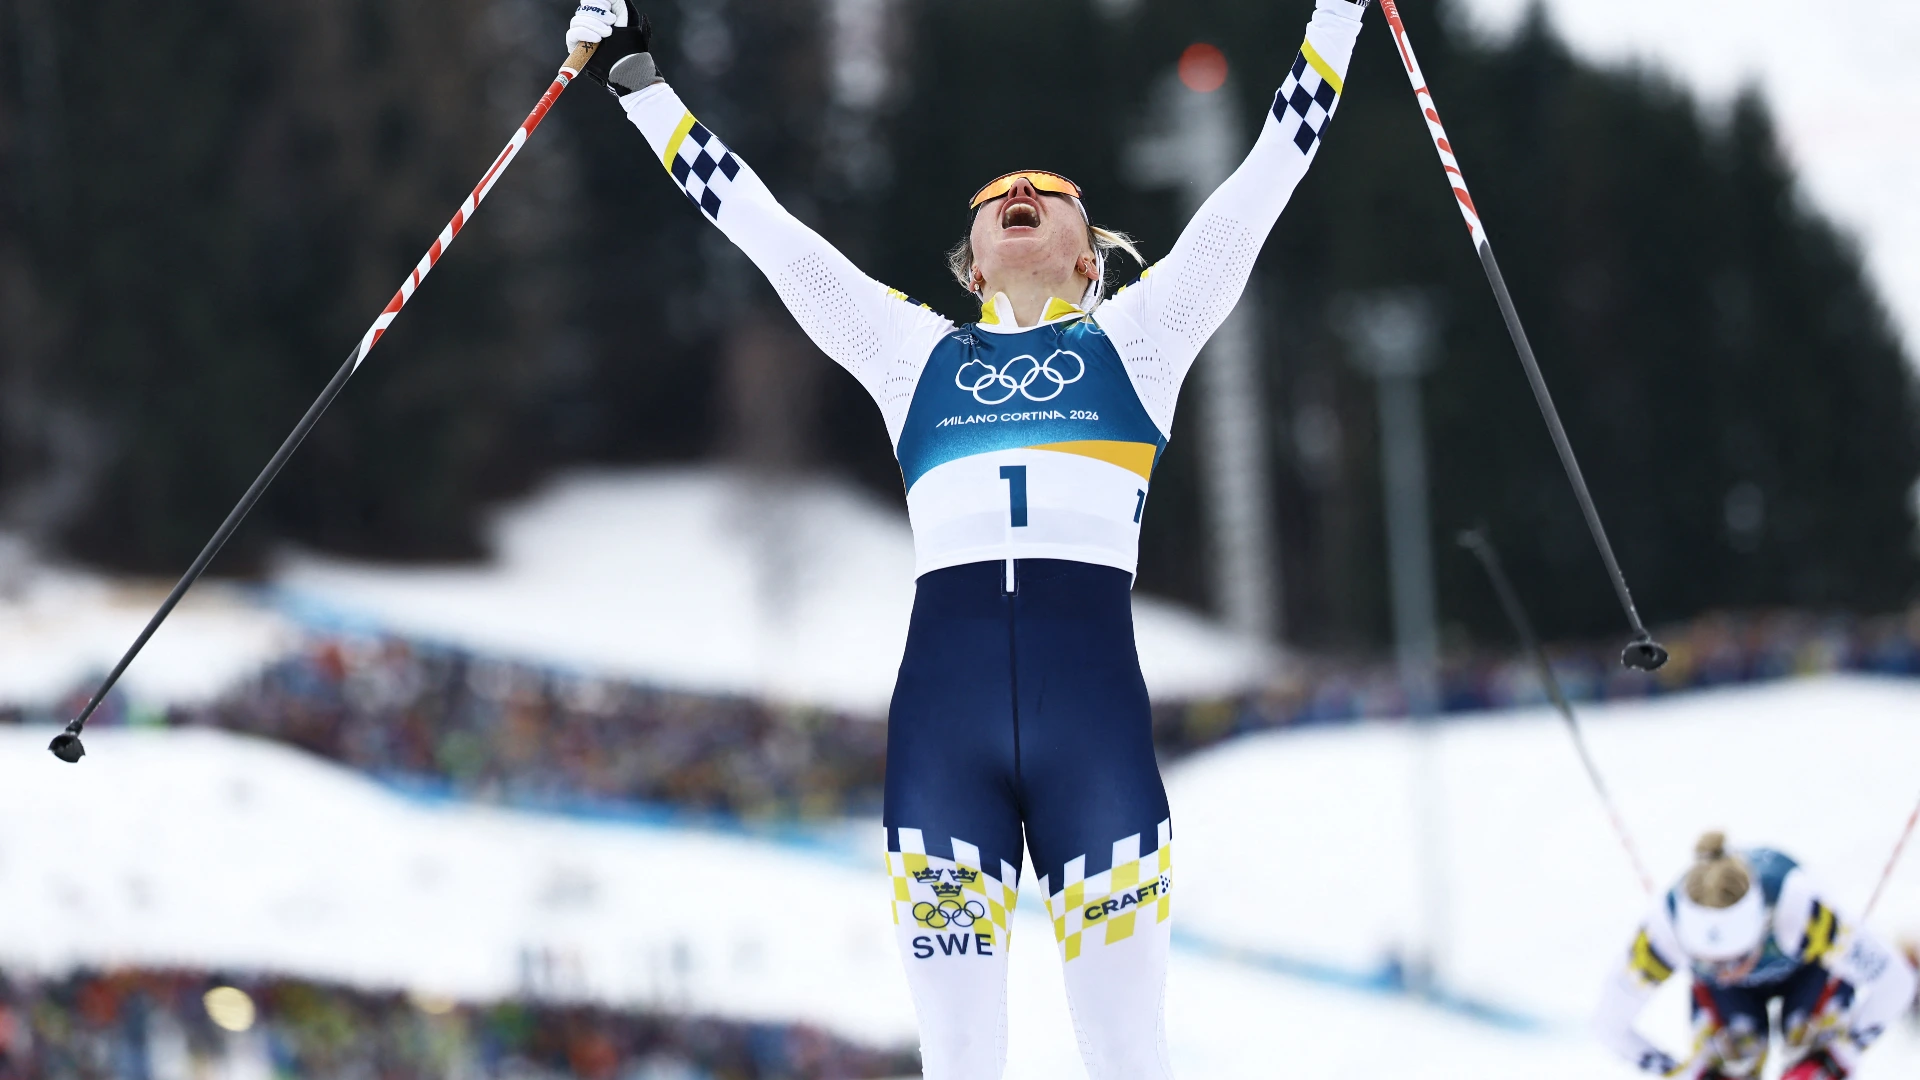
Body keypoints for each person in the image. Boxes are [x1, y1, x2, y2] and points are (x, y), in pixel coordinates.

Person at [562, 2, 1371, 1074]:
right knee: (957, 1057)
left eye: (1051, 195)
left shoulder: (1146, 337)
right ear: (974, 267)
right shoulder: (911, 355)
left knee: (1128, 1054)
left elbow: (1267, 174)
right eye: (997, 200)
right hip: (947, 743)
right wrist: (638, 85)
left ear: (1090, 263)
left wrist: (1340, 15)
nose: (1020, 194)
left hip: (1095, 743)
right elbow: (766, 230)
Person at [1594, 832, 1917, 1079]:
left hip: (1809, 972)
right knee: (1730, 1067)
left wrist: (1836, 1058)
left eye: (1738, 959)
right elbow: (1609, 1025)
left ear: (1763, 924)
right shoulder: (1665, 932)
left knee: (1811, 1070)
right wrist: (1683, 1073)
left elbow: (1896, 982)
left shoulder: (1801, 910)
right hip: (1727, 996)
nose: (1725, 971)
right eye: (1706, 962)